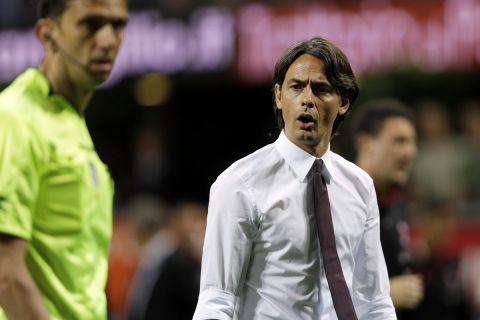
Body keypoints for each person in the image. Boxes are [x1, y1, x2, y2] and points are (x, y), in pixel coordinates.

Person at [193, 37, 396, 320]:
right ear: (278, 96)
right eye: (296, 87)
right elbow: (216, 299)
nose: (307, 99)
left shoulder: (360, 187)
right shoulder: (239, 184)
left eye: (322, 89)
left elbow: (374, 301)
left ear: (344, 103)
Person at [0, 0, 128, 319]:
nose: (108, 40)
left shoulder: (69, 120)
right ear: (47, 34)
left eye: (118, 25)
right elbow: (5, 273)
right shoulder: (16, 118)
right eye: (90, 24)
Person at [353, 99, 424, 318]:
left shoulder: (395, 202)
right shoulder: (340, 201)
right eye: (399, 141)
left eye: (413, 142)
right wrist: (384, 295)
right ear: (365, 143)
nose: (410, 152)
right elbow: (316, 290)